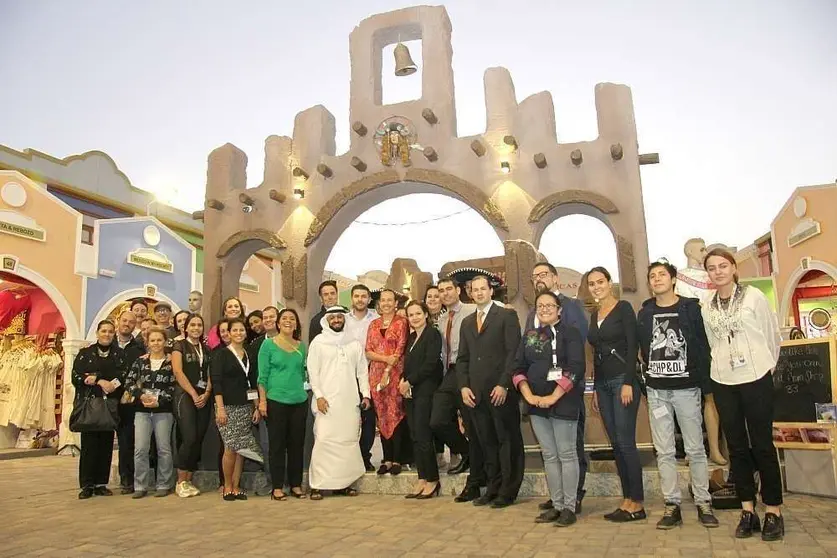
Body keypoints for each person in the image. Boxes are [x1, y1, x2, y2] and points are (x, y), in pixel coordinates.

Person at [703, 248, 783, 541]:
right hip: (724, 379)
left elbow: (771, 335)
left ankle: (773, 510)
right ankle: (747, 509)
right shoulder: (706, 305)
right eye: (712, 268)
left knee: (762, 444)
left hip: (756, 376)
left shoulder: (753, 297)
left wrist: (765, 367)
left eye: (723, 265)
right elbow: (712, 342)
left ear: (734, 267)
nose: (718, 271)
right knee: (736, 447)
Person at [637, 260, 719, 529]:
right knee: (664, 452)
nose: (657, 279)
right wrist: (646, 383)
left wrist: (706, 387)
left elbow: (702, 346)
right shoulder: (645, 313)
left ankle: (703, 501)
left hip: (686, 389)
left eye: (662, 274)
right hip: (658, 392)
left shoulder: (690, 308)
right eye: (652, 276)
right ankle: (672, 504)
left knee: (695, 449)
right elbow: (642, 350)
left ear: (673, 279)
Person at [514, 292, 585, 526]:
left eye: (549, 305)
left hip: (564, 400)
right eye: (540, 306)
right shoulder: (530, 336)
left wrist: (554, 396)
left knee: (566, 455)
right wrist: (529, 396)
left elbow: (576, 367)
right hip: (536, 403)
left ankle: (569, 506)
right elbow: (518, 368)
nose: (544, 309)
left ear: (559, 309)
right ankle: (556, 505)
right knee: (550, 456)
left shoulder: (571, 333)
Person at [527, 262, 590, 514]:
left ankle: (573, 497)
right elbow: (526, 356)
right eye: (535, 276)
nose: (539, 279)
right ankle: (558, 498)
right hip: (538, 396)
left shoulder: (572, 308)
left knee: (570, 449)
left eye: (543, 274)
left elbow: (577, 349)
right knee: (551, 453)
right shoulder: (532, 318)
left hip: (566, 393)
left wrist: (558, 390)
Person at [457, 275, 524, 508]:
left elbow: (514, 353)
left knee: (507, 441)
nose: (479, 293)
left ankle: (508, 490)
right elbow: (463, 358)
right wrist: (464, 386)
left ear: (491, 291)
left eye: (482, 289)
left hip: (500, 391)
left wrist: (504, 384)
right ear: (469, 293)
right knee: (487, 443)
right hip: (476, 394)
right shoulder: (466, 323)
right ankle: (492, 488)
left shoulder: (506, 316)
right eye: (474, 290)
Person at [586, 266, 645, 521]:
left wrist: (629, 382)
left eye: (600, 281)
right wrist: (596, 389)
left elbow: (633, 346)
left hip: (623, 379)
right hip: (603, 384)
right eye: (591, 283)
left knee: (625, 441)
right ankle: (626, 499)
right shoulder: (594, 314)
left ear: (610, 283)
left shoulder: (624, 309)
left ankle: (638, 503)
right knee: (615, 444)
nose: (596, 286)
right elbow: (596, 355)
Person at [307, 306, 371, 500]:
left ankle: (343, 484)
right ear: (327, 320)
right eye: (332, 317)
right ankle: (317, 485)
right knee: (324, 440)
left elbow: (362, 371)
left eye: (339, 317)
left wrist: (365, 395)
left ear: (344, 319)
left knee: (348, 442)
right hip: (326, 401)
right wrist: (318, 395)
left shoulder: (353, 343)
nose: (336, 320)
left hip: (349, 401)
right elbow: (313, 371)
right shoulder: (318, 342)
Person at [431, 277, 479, 500]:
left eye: (449, 289)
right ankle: (468, 452)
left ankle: (478, 475)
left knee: (472, 423)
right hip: (450, 373)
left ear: (458, 290)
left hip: (469, 371)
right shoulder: (441, 320)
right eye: (441, 291)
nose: (445, 294)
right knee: (438, 420)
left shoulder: (472, 309)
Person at [72, 320, 127, 499]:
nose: (107, 334)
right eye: (104, 331)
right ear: (97, 333)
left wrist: (113, 384)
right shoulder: (85, 354)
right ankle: (87, 484)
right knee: (89, 446)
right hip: (90, 405)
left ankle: (101, 483)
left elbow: (124, 375)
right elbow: (76, 376)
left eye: (111, 331)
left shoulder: (119, 354)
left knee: (106, 444)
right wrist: (97, 381)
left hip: (109, 405)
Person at [258, 309, 309, 500]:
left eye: (292, 319)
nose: (288, 321)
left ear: (296, 324)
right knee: (277, 445)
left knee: (297, 445)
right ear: (278, 323)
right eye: (284, 319)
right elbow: (262, 377)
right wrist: (262, 401)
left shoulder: (301, 346)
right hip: (276, 401)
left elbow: (304, 373)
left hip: (299, 401)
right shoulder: (267, 345)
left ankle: (296, 485)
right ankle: (277, 487)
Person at [211, 317, 264, 501]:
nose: (239, 333)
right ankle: (226, 486)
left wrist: (256, 406)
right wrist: (220, 409)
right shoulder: (221, 355)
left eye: (242, 330)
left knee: (240, 448)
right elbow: (216, 383)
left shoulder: (249, 354)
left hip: (246, 406)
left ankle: (236, 485)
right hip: (227, 407)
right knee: (230, 447)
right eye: (235, 330)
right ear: (228, 333)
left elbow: (254, 382)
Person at [124, 326, 177, 498]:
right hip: (142, 411)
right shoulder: (140, 362)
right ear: (147, 342)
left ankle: (164, 483)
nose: (156, 343)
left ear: (165, 342)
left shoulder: (171, 363)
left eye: (159, 340)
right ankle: (140, 485)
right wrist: (141, 396)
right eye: (152, 340)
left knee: (164, 448)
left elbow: (174, 386)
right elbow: (129, 383)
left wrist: (160, 400)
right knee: (140, 448)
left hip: (163, 411)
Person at [401, 301, 443, 499]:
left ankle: (433, 480)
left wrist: (409, 382)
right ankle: (422, 477)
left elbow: (430, 364)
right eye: (411, 314)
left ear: (426, 314)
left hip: (426, 390)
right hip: (411, 392)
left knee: (424, 435)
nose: (415, 317)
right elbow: (407, 363)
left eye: (418, 313)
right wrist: (403, 381)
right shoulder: (410, 337)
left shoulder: (432, 335)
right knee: (415, 435)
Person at [365, 289, 409, 475]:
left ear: (396, 303)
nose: (386, 303)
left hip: (395, 374)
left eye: (390, 300)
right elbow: (368, 350)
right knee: (381, 415)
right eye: (383, 300)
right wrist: (384, 361)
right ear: (379, 304)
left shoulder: (402, 323)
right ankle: (387, 458)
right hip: (375, 375)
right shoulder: (373, 324)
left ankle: (398, 458)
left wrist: (388, 370)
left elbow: (400, 349)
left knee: (396, 413)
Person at [172, 314, 212, 498]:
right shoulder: (179, 345)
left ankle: (188, 479)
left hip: (204, 397)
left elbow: (211, 373)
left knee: (198, 438)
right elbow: (178, 372)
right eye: (193, 325)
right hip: (185, 396)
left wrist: (207, 393)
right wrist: (194, 394)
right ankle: (180, 481)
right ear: (185, 328)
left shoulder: (206, 348)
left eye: (199, 325)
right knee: (188, 437)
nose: (196, 328)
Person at [344, 284, 379, 472]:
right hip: (347, 375)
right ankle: (349, 458)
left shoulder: (377, 319)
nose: (360, 299)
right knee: (349, 418)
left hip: (371, 372)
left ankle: (364, 456)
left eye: (363, 296)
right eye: (356, 296)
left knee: (368, 418)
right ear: (352, 298)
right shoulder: (343, 320)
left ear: (369, 299)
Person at [114, 311, 145, 495]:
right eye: (124, 320)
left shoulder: (139, 348)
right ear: (119, 322)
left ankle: (127, 479)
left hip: (129, 402)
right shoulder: (109, 344)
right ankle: (96, 482)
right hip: (108, 400)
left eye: (131, 322)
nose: (127, 324)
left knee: (127, 442)